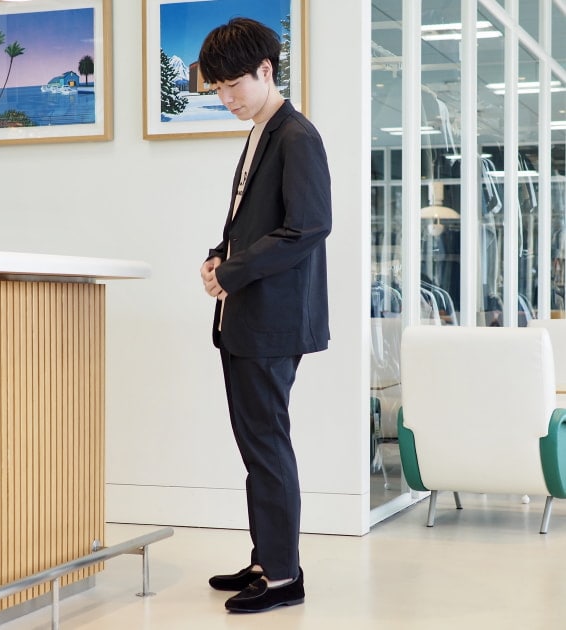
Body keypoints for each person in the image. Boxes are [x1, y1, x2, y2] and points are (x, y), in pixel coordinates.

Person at [198, 17, 332, 614]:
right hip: (249, 315)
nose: (226, 98)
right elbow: (251, 221)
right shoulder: (262, 131)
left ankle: (281, 577)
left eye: (234, 85)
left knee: (267, 445)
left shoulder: (296, 136)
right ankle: (267, 559)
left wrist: (234, 272)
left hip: (272, 319)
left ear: (265, 70)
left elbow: (308, 227)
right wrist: (220, 255)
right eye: (217, 88)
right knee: (258, 446)